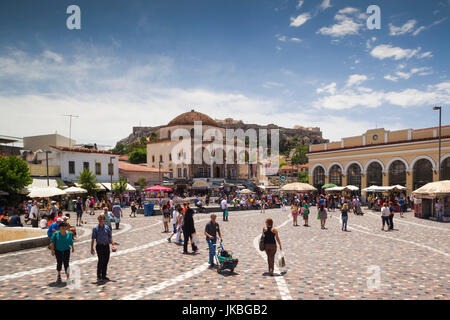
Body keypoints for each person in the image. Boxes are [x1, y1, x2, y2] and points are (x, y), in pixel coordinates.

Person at [91, 213, 117, 283]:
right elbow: (93, 238)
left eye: (102, 219)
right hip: (99, 246)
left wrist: (113, 245)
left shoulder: (107, 228)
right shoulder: (95, 228)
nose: (101, 221)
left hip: (106, 246)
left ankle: (104, 275)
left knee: (106, 260)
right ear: (98, 220)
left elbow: (110, 237)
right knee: (101, 260)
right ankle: (99, 274)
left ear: (104, 220)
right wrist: (91, 248)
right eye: (100, 219)